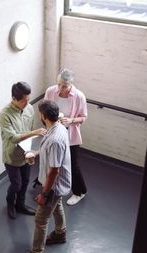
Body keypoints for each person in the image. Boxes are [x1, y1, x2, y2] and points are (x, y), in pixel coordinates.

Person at [28, 100, 72, 253]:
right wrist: (36, 152)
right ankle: (61, 233)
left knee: (40, 220)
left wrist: (44, 194)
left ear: (43, 116)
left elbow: (54, 171)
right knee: (57, 205)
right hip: (57, 186)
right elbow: (50, 153)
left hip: (53, 186)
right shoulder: (59, 127)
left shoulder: (54, 140)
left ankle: (37, 251)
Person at [0, 81, 46, 219]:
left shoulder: (29, 108)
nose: (27, 104)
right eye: (24, 101)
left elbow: (29, 130)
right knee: (16, 184)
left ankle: (20, 205)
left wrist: (30, 151)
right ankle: (10, 204)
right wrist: (35, 132)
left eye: (28, 100)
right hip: (12, 156)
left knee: (25, 182)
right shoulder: (4, 114)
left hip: (26, 153)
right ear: (14, 98)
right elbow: (13, 138)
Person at [44, 68, 88, 206]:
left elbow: (84, 117)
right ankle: (53, 187)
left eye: (64, 86)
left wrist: (71, 120)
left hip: (70, 135)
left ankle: (79, 192)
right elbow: (45, 109)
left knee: (72, 165)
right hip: (54, 132)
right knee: (54, 162)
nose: (60, 88)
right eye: (58, 84)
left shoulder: (79, 96)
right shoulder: (51, 91)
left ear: (71, 84)